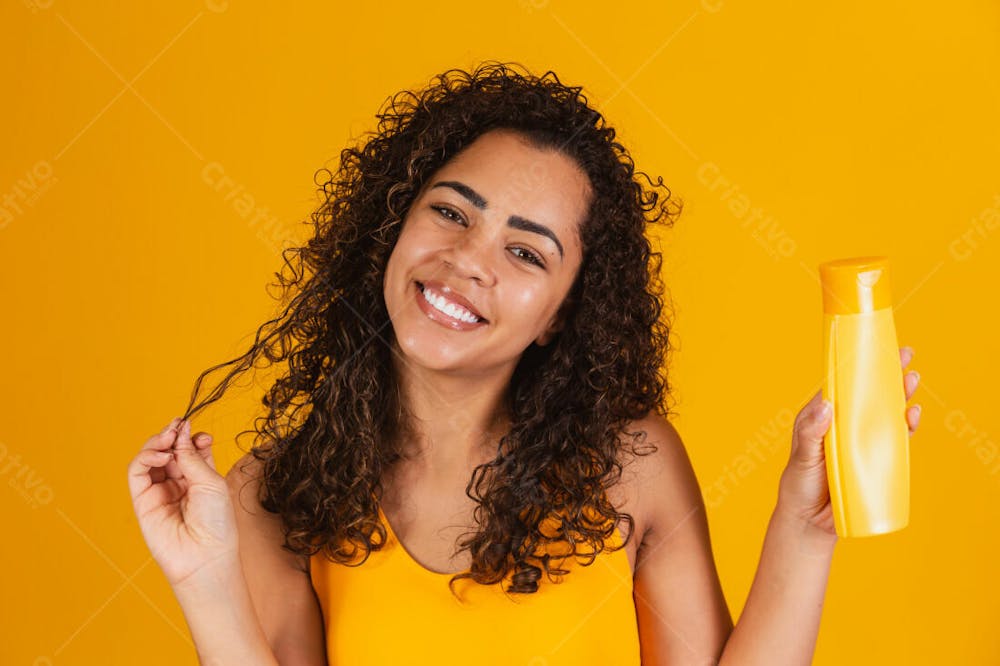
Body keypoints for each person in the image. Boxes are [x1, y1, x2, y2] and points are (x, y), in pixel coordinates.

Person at [127, 61, 923, 665]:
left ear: (561, 316)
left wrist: (804, 528)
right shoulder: (275, 494)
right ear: (391, 225)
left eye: (524, 251)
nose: (468, 262)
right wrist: (204, 582)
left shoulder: (629, 467)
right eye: (449, 211)